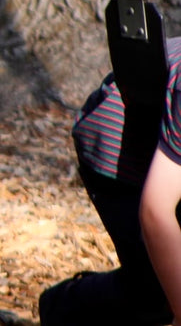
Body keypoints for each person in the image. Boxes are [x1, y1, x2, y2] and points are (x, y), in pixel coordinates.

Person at [39, 38, 181, 325]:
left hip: (163, 146)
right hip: (120, 152)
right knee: (160, 291)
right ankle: (63, 308)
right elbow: (156, 211)